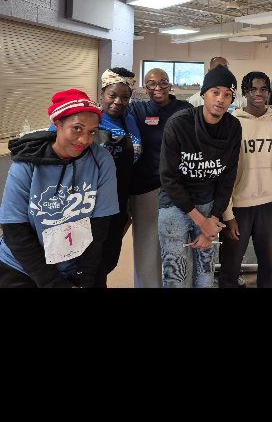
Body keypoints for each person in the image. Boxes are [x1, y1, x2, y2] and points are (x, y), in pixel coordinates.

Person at [0, 89, 118, 288]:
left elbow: (99, 226)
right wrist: (53, 283)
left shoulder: (101, 161)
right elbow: (14, 229)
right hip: (23, 266)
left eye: (92, 132)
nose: (84, 140)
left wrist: (85, 275)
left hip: (77, 263)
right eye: (77, 129)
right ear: (58, 124)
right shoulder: (26, 162)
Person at [159, 64, 241, 288]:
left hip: (209, 204)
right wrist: (202, 222)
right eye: (215, 92)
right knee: (175, 273)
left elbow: (228, 177)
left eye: (227, 95)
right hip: (175, 204)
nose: (220, 100)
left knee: (205, 273)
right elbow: (168, 178)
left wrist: (212, 220)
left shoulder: (233, 127)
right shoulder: (179, 124)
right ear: (204, 94)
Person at [219, 72, 272, 289]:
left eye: (263, 89)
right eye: (253, 89)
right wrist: (228, 214)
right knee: (230, 268)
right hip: (238, 208)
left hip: (268, 207)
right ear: (244, 93)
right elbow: (224, 173)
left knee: (269, 268)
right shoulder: (231, 123)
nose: (258, 94)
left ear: (269, 93)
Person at [129, 68, 190, 288]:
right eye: (151, 83)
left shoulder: (184, 109)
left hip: (178, 188)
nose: (157, 88)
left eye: (163, 82)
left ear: (170, 84)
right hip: (146, 187)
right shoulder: (137, 110)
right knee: (147, 246)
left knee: (179, 244)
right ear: (145, 87)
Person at [94, 67, 142, 286]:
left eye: (124, 97)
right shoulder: (88, 119)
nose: (118, 101)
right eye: (112, 95)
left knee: (107, 260)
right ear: (102, 92)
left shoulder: (130, 120)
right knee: (86, 265)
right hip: (90, 207)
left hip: (119, 204)